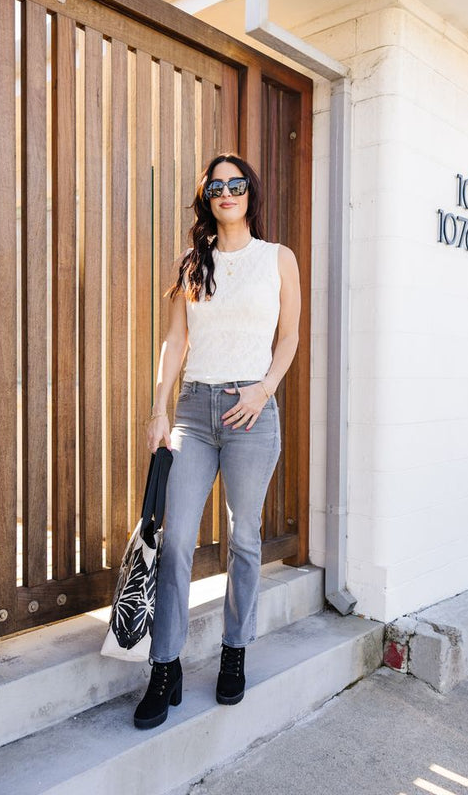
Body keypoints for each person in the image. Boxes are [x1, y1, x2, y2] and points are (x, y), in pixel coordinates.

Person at [134, 152, 301, 729]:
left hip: (251, 412)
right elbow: (175, 342)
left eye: (236, 184)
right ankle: (165, 666)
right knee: (177, 538)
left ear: (250, 192)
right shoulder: (192, 262)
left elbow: (290, 335)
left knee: (245, 538)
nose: (227, 192)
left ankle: (235, 650)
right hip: (194, 411)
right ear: (207, 196)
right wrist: (160, 410)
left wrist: (261, 392)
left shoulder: (278, 259)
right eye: (216, 186)